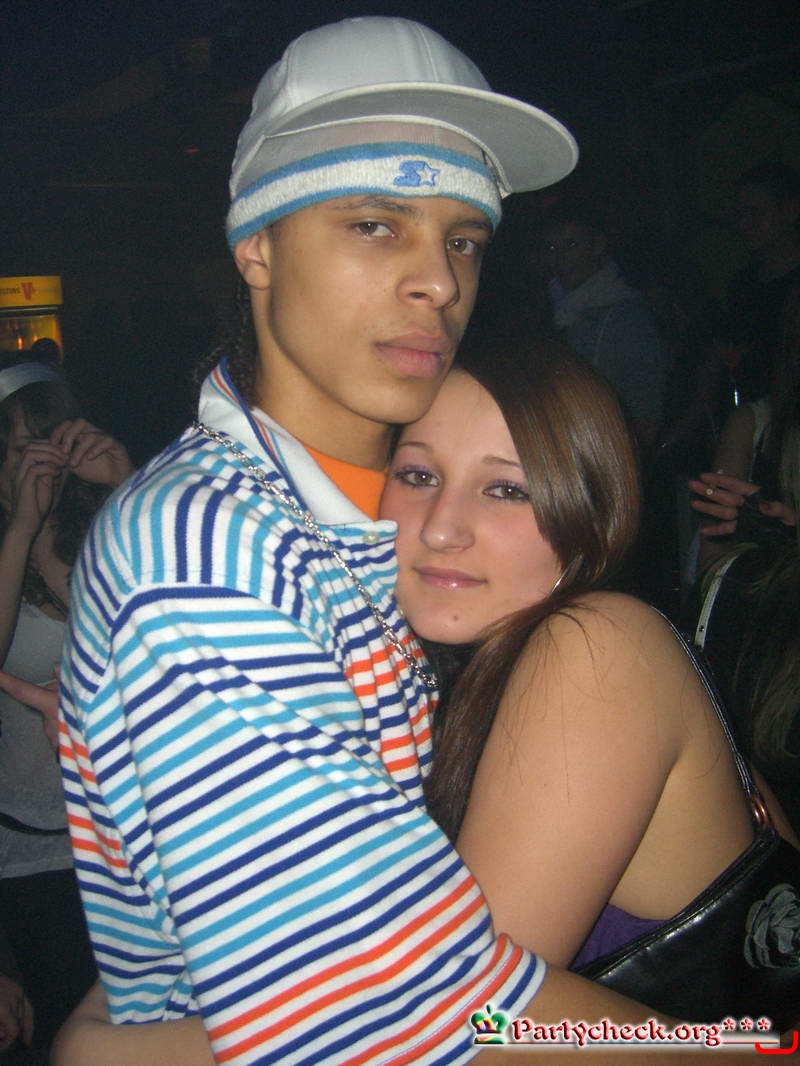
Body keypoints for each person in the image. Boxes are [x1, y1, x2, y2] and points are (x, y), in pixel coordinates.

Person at [0, 18, 784, 1066]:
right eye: (375, 224)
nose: (440, 283)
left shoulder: (362, 548)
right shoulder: (208, 554)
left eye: (463, 239)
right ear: (256, 247)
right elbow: (393, 1016)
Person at [0, 358, 133, 1054]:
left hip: (127, 831)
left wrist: (127, 483)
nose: (34, 460)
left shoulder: (106, 524)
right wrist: (19, 527)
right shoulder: (9, 540)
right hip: (31, 847)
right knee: (65, 1025)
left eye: (45, 439)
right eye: (16, 446)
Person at [541, 198, 670, 451]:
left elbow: (646, 417)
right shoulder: (548, 310)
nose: (561, 258)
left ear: (597, 245)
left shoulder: (627, 317)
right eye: (552, 247)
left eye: (572, 244)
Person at [726, 162, 800, 403]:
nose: (744, 224)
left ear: (790, 211)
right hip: (753, 414)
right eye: (739, 215)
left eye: (755, 213)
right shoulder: (742, 284)